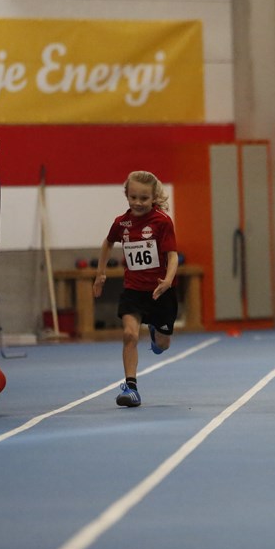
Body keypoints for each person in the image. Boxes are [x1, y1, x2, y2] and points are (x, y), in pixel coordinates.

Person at [93, 171, 179, 408]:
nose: (138, 203)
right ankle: (131, 388)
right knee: (129, 334)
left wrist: (168, 281)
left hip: (160, 291)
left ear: (153, 198)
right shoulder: (122, 222)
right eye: (133, 197)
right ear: (127, 196)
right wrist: (100, 273)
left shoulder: (162, 221)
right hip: (133, 290)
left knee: (162, 345)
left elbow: (173, 256)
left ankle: (155, 330)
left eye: (143, 198)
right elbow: (108, 242)